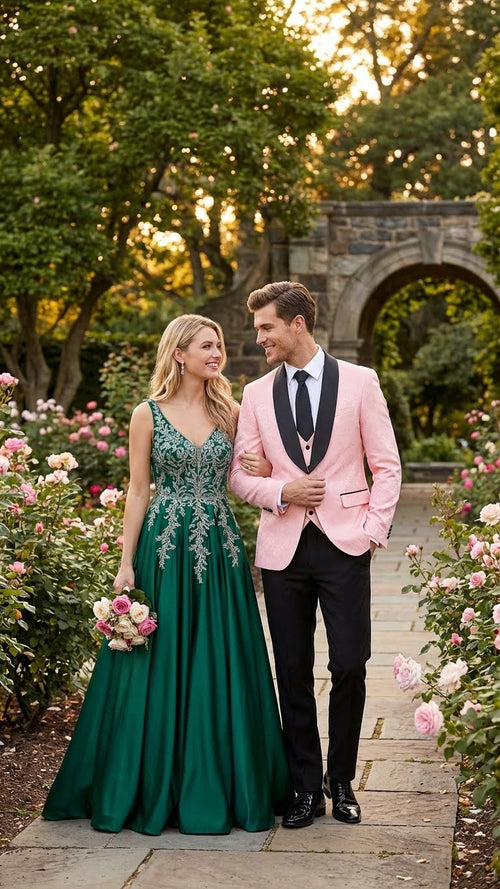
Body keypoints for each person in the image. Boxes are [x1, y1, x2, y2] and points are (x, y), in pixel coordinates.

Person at [43, 314, 291, 836]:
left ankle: (224, 782)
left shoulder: (232, 409)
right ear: (179, 353)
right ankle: (148, 782)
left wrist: (265, 472)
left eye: (219, 344)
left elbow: (252, 472)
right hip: (162, 548)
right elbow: (138, 490)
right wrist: (125, 561)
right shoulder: (147, 414)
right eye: (207, 345)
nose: (217, 353)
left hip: (220, 548)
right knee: (159, 659)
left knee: (220, 656)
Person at [229, 281, 401, 829]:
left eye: (266, 328)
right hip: (283, 551)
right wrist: (281, 491)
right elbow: (238, 473)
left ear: (297, 324)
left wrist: (373, 531)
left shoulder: (361, 382)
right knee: (293, 671)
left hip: (345, 544)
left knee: (350, 664)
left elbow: (388, 465)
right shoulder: (255, 394)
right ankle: (306, 788)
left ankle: (342, 781)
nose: (260, 339)